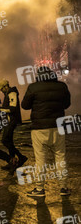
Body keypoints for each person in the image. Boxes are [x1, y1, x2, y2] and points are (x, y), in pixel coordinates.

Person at [21, 67, 71, 197]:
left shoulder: (33, 87)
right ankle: (64, 188)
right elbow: (66, 104)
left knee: (40, 159)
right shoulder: (62, 86)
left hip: (39, 128)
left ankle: (39, 189)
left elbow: (25, 105)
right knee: (60, 157)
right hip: (58, 127)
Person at [0, 79, 28, 174]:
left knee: (5, 140)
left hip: (11, 120)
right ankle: (13, 162)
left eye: (2, 89)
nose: (1, 91)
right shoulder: (9, 94)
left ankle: (20, 157)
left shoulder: (12, 93)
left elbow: (13, 108)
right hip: (9, 120)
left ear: (6, 87)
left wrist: (0, 109)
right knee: (9, 141)